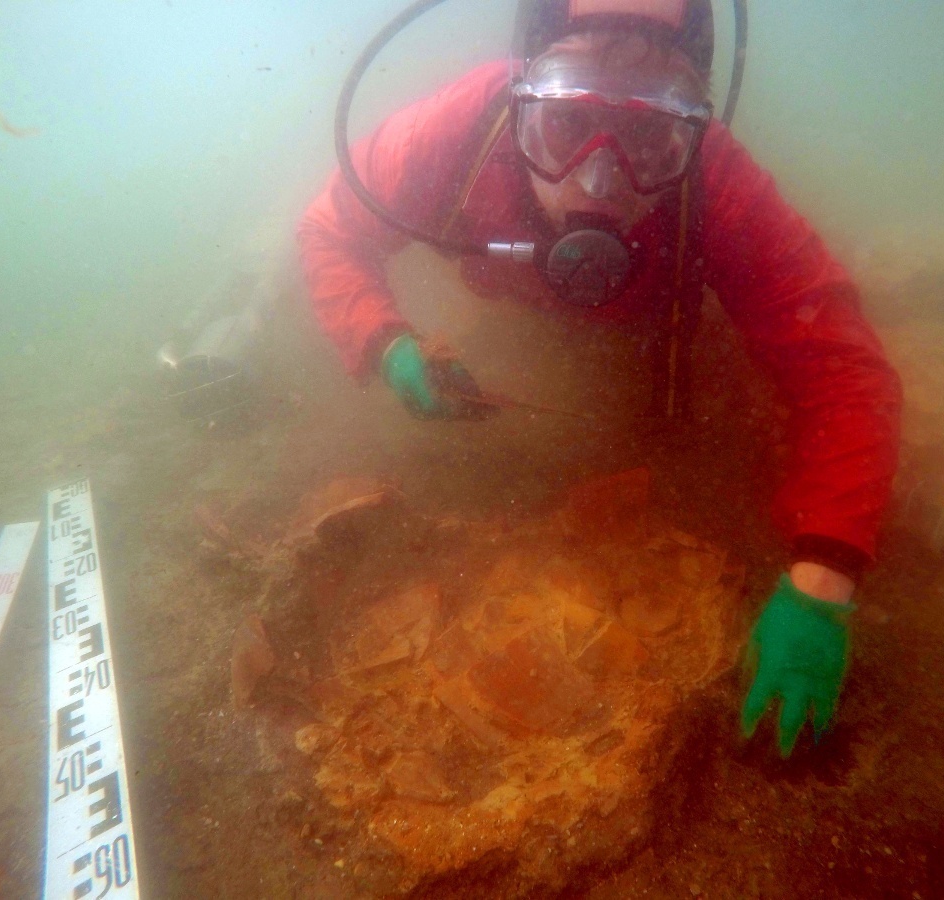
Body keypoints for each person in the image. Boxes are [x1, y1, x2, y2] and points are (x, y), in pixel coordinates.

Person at [297, 0, 902, 757]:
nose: (599, 179)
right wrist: (385, 341)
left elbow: (842, 371)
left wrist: (825, 579)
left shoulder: (717, 182)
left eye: (648, 137)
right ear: (520, 104)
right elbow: (331, 228)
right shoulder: (459, 131)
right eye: (567, 125)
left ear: (693, 131)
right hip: (517, 313)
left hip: (656, 336)